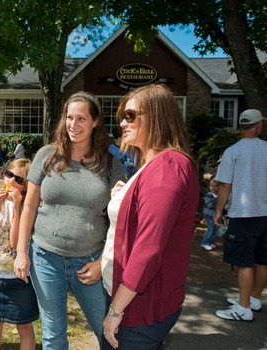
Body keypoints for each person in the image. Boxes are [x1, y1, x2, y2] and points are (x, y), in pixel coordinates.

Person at [14, 91, 124, 349]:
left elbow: (121, 220)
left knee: (106, 331)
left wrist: (101, 262)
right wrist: (21, 252)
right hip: (45, 258)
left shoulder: (109, 163)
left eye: (82, 119)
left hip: (89, 263)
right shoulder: (47, 155)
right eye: (69, 118)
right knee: (53, 335)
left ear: (95, 122)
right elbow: (29, 205)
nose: (74, 125)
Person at [100, 84, 199, 350]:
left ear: (156, 116)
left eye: (130, 115)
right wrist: (126, 194)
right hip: (130, 299)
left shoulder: (168, 167)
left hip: (138, 308)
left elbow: (148, 250)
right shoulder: (154, 164)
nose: (122, 122)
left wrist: (117, 311)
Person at [214, 109, 267, 322]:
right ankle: (253, 298)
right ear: (258, 125)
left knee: (244, 261)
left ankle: (243, 308)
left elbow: (225, 185)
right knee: (263, 259)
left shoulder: (232, 151)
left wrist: (218, 210)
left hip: (244, 214)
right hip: (265, 212)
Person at [0, 158, 39, 350]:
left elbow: (15, 244)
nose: (12, 182)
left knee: (24, 325)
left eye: (19, 180)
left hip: (19, 277)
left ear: (26, 186)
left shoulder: (26, 207)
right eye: (9, 175)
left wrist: (16, 208)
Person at [201, 178, 219, 251]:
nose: (213, 188)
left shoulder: (218, 195)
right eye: (211, 186)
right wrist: (217, 199)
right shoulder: (209, 195)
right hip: (208, 215)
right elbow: (209, 205)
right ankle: (204, 243)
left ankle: (210, 242)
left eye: (215, 186)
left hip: (215, 216)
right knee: (210, 229)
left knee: (215, 230)